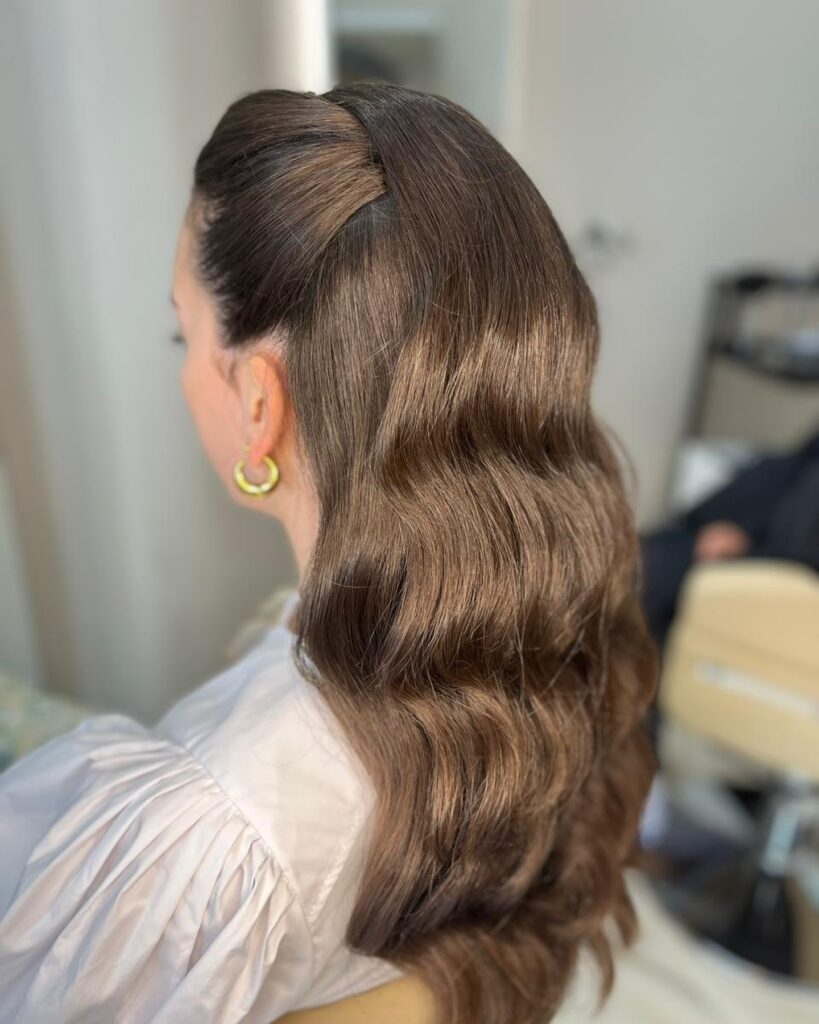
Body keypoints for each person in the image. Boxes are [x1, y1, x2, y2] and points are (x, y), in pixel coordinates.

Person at [0, 83, 657, 1024]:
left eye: (178, 331)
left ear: (260, 404)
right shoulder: (565, 607)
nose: (183, 370)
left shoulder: (210, 830)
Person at [640, 425, 819, 650]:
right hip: (746, 534)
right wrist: (740, 526)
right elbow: (793, 468)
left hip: (785, 571)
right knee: (646, 563)